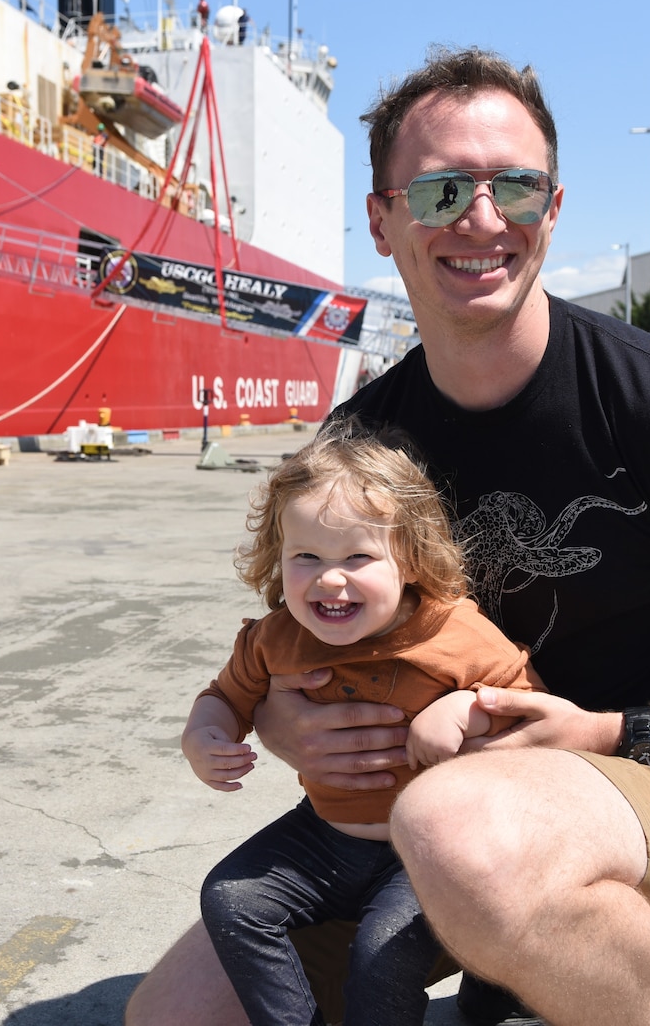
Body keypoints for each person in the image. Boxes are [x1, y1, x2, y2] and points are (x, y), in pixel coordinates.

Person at [126, 46, 650, 1026]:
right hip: (417, 827)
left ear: (551, 210)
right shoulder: (357, 443)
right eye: (439, 189)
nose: (480, 215)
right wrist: (283, 726)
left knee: (459, 829)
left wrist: (611, 732)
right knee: (176, 1014)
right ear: (381, 221)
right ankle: (506, 967)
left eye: (515, 185)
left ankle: (593, 989)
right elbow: (293, 645)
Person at [183, 425, 537, 1026]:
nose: (330, 578)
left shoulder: (455, 633)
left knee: (380, 959)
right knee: (232, 898)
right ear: (279, 556)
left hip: (430, 848)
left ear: (410, 558)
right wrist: (203, 735)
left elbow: (530, 706)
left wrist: (461, 708)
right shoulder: (276, 639)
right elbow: (226, 696)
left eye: (358, 557)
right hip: (323, 836)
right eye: (307, 557)